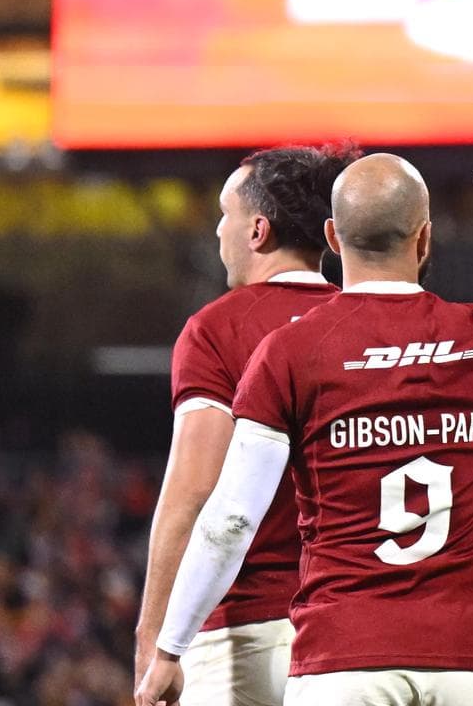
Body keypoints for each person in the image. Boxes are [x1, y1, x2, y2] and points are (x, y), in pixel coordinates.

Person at [135, 115, 473, 706]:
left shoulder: (289, 352)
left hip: (343, 652)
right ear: (425, 239)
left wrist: (168, 646)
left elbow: (230, 517)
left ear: (334, 240)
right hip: (463, 656)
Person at [133, 144, 359, 705]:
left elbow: (195, 493)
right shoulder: (367, 326)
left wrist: (155, 634)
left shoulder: (217, 330)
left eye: (224, 213)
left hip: (243, 630)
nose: (217, 231)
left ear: (258, 230)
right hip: (351, 633)